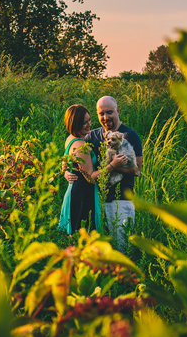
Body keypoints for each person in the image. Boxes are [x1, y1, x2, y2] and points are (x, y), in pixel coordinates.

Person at [65, 96, 143, 248]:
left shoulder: (130, 136)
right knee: (98, 251)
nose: (105, 117)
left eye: (109, 112)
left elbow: (137, 170)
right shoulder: (91, 135)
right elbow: (74, 153)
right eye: (101, 114)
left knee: (121, 248)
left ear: (118, 111)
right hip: (95, 201)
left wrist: (114, 165)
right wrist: (66, 170)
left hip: (119, 201)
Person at [58, 104, 105, 235]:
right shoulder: (81, 145)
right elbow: (90, 177)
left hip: (77, 190)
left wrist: (65, 171)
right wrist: (113, 165)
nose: (89, 124)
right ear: (75, 124)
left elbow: (66, 161)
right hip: (83, 195)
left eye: (89, 120)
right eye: (84, 122)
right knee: (84, 236)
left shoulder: (70, 139)